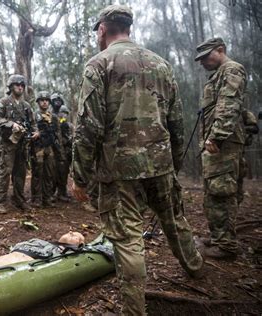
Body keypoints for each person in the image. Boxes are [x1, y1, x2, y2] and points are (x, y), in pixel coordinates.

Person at [71, 5, 204, 315]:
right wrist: (173, 161)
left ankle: (134, 310)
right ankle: (195, 267)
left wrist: (79, 176)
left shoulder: (98, 65)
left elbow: (87, 127)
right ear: (127, 28)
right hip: (160, 163)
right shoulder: (161, 64)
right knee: (175, 220)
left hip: (119, 171)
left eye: (97, 32)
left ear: (103, 29)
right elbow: (177, 121)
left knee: (129, 239)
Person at [194, 38, 248, 259]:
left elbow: (229, 104)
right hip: (219, 144)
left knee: (221, 192)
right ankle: (218, 236)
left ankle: (226, 246)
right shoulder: (219, 74)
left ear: (221, 50)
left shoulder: (232, 70)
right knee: (215, 190)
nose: (203, 62)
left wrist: (216, 137)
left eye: (207, 56)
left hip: (222, 145)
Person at [0, 74, 39, 214]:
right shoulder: (4, 102)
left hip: (22, 144)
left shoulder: (26, 106)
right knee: (5, 172)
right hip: (7, 144)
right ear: (11, 86)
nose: (20, 87)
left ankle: (19, 199)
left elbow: (33, 123)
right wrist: (11, 124)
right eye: (17, 85)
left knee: (20, 172)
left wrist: (35, 132)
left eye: (22, 85)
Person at [30, 91, 63, 208]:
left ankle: (47, 197)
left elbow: (58, 133)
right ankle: (36, 198)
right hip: (38, 147)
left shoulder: (54, 117)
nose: (44, 102)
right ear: (38, 102)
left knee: (49, 173)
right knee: (37, 172)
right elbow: (30, 131)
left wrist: (60, 150)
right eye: (42, 100)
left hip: (50, 148)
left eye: (46, 100)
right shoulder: (34, 115)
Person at [50, 93, 70, 202]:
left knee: (63, 171)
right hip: (53, 147)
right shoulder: (49, 115)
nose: (57, 102)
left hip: (64, 148)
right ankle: (51, 192)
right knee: (52, 171)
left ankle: (62, 192)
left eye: (59, 100)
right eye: (55, 100)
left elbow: (67, 134)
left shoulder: (64, 118)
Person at [57, 105, 74, 201]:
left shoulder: (70, 125)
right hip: (59, 152)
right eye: (62, 112)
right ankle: (59, 193)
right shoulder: (57, 124)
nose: (64, 115)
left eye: (66, 113)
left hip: (68, 152)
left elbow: (73, 137)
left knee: (65, 173)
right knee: (59, 173)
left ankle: (63, 192)